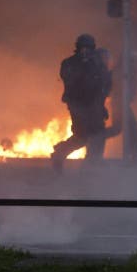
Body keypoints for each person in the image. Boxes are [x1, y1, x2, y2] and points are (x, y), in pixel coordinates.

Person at [51, 34, 111, 171]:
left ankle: (93, 163)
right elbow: (70, 80)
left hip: (93, 104)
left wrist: (101, 106)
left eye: (88, 48)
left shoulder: (97, 64)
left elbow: (103, 84)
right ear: (77, 48)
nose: (85, 50)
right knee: (82, 136)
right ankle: (59, 154)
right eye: (83, 47)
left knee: (98, 133)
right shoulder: (69, 63)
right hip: (77, 103)